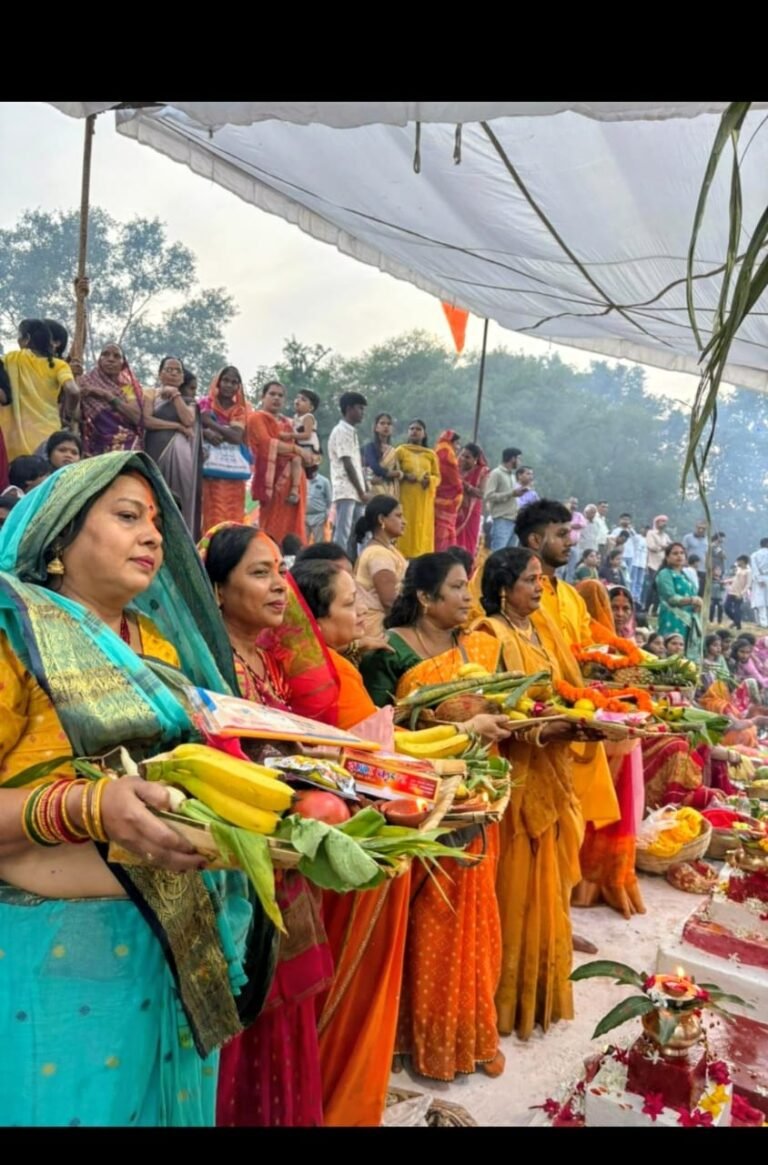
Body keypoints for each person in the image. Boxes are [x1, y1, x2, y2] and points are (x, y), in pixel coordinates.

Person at [0, 453, 270, 1127]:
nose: (153, 535)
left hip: (174, 943)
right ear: (59, 539)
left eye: (155, 520)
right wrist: (89, 805)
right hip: (54, 956)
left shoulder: (159, 647)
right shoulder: (15, 634)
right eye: (127, 516)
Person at [199, 523, 333, 1128]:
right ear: (218, 591)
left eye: (280, 571)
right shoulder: (210, 661)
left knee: (283, 1013)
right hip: (239, 862)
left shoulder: (267, 658)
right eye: (260, 573)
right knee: (248, 1008)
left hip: (284, 852)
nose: (280, 586)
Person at [361, 553, 513, 1082]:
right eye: (456, 589)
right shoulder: (391, 650)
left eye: (468, 589)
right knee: (424, 919)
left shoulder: (473, 648)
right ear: (425, 598)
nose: (468, 598)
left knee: (473, 917)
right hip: (416, 797)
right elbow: (375, 727)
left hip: (475, 794)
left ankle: (465, 1033)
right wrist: (438, 720)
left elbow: (497, 709)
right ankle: (414, 1040)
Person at [291, 557, 409, 1126]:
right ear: (312, 617)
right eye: (347, 604)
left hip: (356, 821)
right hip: (347, 832)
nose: (361, 611)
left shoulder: (339, 663)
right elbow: (357, 752)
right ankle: (339, 1097)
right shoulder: (318, 670)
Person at [474, 548, 596, 1040]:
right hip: (518, 776)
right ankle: (504, 1006)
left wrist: (581, 721)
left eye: (541, 580)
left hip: (552, 767)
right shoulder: (489, 636)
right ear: (504, 587)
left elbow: (565, 690)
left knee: (551, 890)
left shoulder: (540, 629)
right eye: (530, 580)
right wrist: (540, 729)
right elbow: (487, 707)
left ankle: (541, 998)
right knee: (517, 890)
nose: (540, 588)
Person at [515, 500, 629, 922]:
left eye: (570, 533)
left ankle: (555, 923)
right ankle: (533, 926)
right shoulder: (508, 587)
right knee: (535, 833)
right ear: (534, 539)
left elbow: (584, 650)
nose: (570, 541)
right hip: (537, 723)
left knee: (572, 825)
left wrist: (623, 665)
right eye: (561, 534)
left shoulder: (568, 595)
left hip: (576, 720)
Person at [0, 319, 79, 460]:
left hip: (12, 442)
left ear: (27, 339)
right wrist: (71, 412)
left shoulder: (9, 360)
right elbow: (73, 391)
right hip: (48, 440)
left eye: (19, 337)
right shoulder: (58, 365)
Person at [144, 356, 202, 538]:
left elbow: (188, 420)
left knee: (180, 496)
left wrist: (175, 396)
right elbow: (147, 421)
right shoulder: (150, 394)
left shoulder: (188, 400)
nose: (174, 373)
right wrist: (175, 426)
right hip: (155, 452)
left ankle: (180, 539)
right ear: (160, 373)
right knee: (155, 496)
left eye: (178, 370)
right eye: (169, 369)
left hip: (181, 455)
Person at [197, 367, 251, 533]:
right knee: (208, 513)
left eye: (234, 382)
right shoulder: (204, 404)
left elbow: (236, 436)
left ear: (238, 387)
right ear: (218, 382)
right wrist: (204, 432)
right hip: (208, 472)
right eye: (226, 380)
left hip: (233, 476)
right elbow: (192, 427)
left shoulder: (240, 409)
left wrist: (209, 423)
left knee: (232, 517)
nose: (229, 385)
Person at [353, 496, 407, 638]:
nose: (404, 522)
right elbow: (390, 601)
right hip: (378, 631)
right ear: (382, 519)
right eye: (399, 516)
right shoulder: (379, 554)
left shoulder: (386, 550)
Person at [78, 342, 144, 455]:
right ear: (99, 360)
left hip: (126, 439)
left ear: (123, 364)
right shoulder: (84, 381)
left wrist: (106, 395)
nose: (110, 359)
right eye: (105, 354)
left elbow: (136, 417)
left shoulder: (127, 388)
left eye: (116, 356)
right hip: (93, 439)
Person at [327, 392, 370, 561]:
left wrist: (363, 488)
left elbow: (357, 464)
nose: (362, 412)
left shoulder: (352, 432)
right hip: (346, 489)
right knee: (343, 532)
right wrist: (361, 491)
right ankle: (336, 564)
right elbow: (347, 463)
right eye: (360, 408)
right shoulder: (341, 431)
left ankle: (355, 564)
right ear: (349, 408)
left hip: (356, 490)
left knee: (359, 531)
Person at [392, 420, 439, 558]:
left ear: (424, 434)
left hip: (424, 500)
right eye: (411, 428)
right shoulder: (400, 451)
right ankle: (401, 557)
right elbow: (393, 472)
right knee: (404, 526)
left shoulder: (430, 454)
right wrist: (405, 476)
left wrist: (429, 480)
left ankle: (421, 558)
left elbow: (437, 477)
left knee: (421, 528)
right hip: (405, 498)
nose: (414, 431)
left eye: (418, 429)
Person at [656, 542, 704, 658]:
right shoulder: (665, 574)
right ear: (667, 557)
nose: (679, 556)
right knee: (671, 649)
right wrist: (692, 600)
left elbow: (693, 595)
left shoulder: (685, 576)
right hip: (672, 617)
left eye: (682, 553)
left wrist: (696, 606)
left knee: (684, 651)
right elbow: (671, 598)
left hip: (688, 620)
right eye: (675, 553)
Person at [485, 447, 524, 552]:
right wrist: (511, 493)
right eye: (519, 458)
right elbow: (488, 496)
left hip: (513, 520)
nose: (520, 462)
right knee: (498, 554)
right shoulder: (496, 473)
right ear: (512, 459)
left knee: (510, 557)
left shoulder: (512, 476)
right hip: (502, 520)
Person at [455, 442, 489, 560]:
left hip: (471, 513)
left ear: (475, 459)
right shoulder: (454, 468)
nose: (463, 459)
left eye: (467, 457)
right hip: (454, 511)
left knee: (467, 542)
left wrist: (465, 485)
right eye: (462, 455)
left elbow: (481, 494)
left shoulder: (482, 471)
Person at [433, 430, 464, 551]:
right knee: (443, 533)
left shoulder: (438, 451)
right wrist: (460, 489)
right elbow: (453, 481)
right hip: (447, 501)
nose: (458, 447)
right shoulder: (447, 454)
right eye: (457, 444)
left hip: (437, 500)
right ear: (452, 442)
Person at [361, 412, 402, 497]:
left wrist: (399, 474)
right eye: (382, 423)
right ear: (376, 427)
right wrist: (390, 473)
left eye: (389, 424)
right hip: (374, 490)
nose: (386, 426)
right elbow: (374, 466)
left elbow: (398, 470)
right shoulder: (370, 447)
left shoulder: (393, 451)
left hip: (390, 491)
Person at [644, 515, 672, 611]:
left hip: (663, 565)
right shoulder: (651, 533)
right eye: (662, 521)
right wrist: (662, 547)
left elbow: (671, 546)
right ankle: (646, 608)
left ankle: (655, 609)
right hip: (653, 564)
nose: (664, 523)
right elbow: (651, 547)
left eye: (665, 521)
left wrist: (663, 546)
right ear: (657, 523)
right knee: (652, 587)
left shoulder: (666, 536)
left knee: (661, 588)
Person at [292, 389, 321, 475]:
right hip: (301, 446)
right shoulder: (295, 417)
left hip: (308, 447)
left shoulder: (308, 417)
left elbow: (307, 435)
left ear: (311, 407)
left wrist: (290, 435)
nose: (298, 401)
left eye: (303, 400)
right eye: (297, 398)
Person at [305, 466, 332, 544]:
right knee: (303, 542)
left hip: (319, 516)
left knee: (319, 542)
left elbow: (329, 500)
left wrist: (326, 514)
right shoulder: (302, 480)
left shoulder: (324, 481)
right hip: (304, 516)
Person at [725, 555, 752, 631]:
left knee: (737, 610)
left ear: (743, 561)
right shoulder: (738, 569)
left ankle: (738, 626)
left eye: (739, 561)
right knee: (726, 607)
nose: (738, 563)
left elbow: (748, 584)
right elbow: (735, 578)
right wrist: (727, 581)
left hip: (739, 593)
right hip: (731, 591)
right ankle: (736, 621)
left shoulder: (748, 571)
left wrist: (742, 593)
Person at [682, 520, 709, 597]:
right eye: (699, 528)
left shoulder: (707, 540)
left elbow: (707, 554)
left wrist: (708, 567)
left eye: (703, 528)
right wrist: (685, 563)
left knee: (700, 590)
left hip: (702, 569)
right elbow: (683, 551)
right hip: (689, 567)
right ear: (696, 527)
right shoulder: (688, 538)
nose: (700, 530)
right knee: (689, 587)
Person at [750, 538, 768, 628]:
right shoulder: (755, 555)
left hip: (759, 577)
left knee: (760, 601)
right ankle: (763, 621)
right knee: (763, 600)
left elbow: (754, 568)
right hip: (764, 576)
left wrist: (759, 579)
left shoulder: (754, 555)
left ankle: (763, 621)